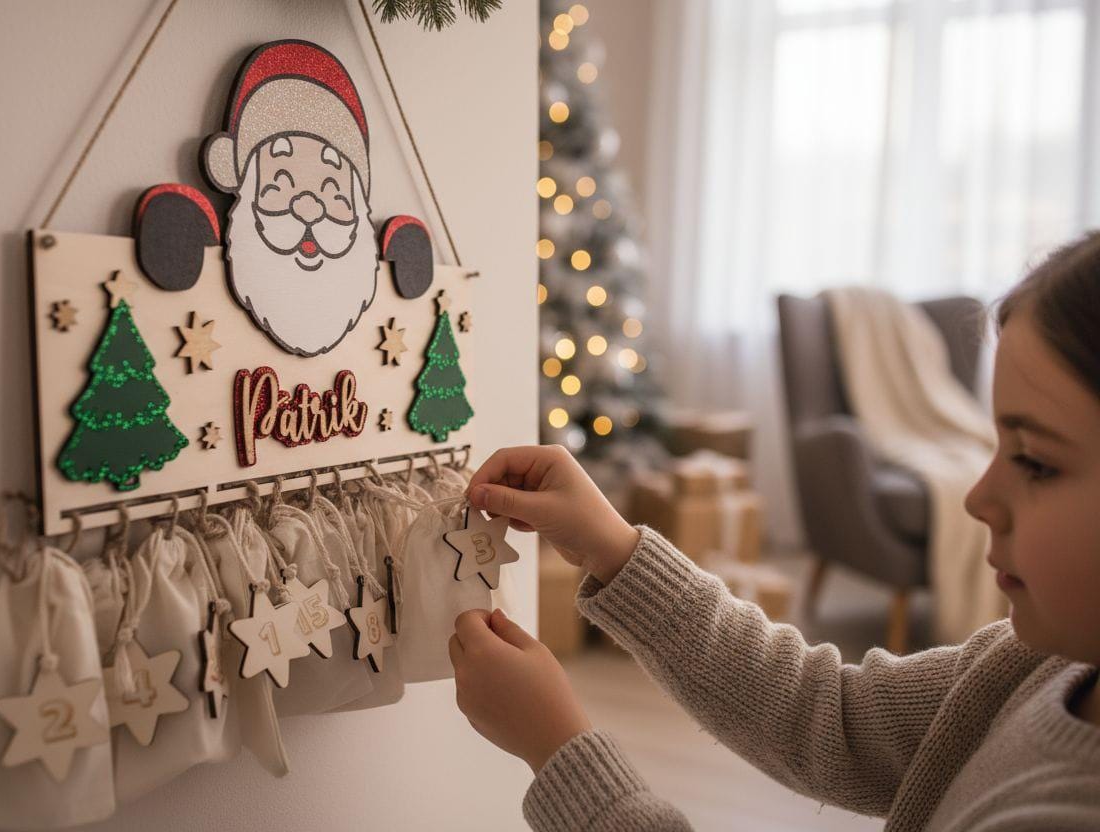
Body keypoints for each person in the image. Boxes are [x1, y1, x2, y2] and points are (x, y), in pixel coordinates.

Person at [449, 231, 1100, 831]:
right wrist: (616, 549)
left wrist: (559, 752)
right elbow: (831, 717)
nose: (979, 498)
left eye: (1036, 462)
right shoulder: (1033, 665)